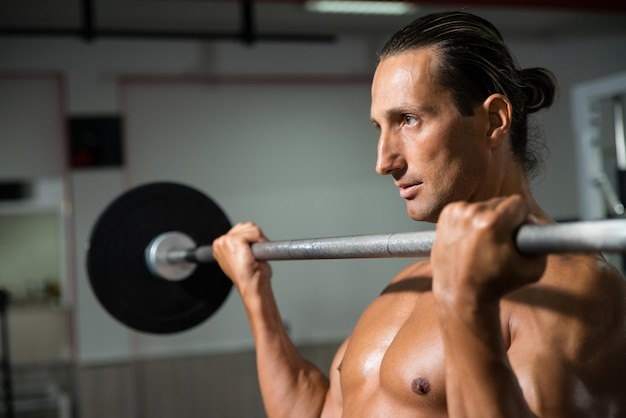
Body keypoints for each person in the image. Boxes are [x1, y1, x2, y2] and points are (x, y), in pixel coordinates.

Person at [212, 11, 626, 417]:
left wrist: (465, 303)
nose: (384, 161)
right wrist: (255, 293)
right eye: (380, 128)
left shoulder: (576, 288)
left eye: (408, 120)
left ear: (494, 121)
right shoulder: (406, 283)